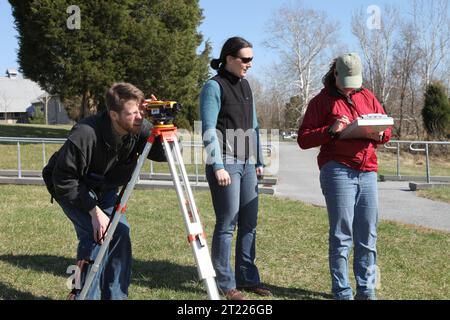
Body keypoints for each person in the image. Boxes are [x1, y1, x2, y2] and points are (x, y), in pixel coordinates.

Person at [42, 82, 165, 299]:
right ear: (114, 115)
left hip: (104, 189)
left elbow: (166, 154)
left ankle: (116, 296)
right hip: (72, 186)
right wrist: (93, 211)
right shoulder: (85, 133)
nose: (139, 117)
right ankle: (82, 293)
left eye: (140, 111)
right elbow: (63, 178)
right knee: (95, 235)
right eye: (132, 113)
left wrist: (160, 123)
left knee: (121, 233)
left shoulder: (138, 126)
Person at [297, 53, 392, 300]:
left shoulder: (368, 96)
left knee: (368, 234)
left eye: (356, 80)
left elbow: (387, 128)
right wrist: (330, 130)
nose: (352, 85)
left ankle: (367, 290)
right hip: (337, 169)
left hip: (368, 169)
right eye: (347, 79)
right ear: (335, 74)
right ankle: (342, 291)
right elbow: (304, 139)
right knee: (342, 235)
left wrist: (381, 135)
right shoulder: (321, 101)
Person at [200, 36, 271, 300]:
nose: (249, 64)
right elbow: (208, 129)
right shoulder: (213, 87)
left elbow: (254, 127)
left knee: (249, 223)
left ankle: (247, 277)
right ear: (229, 58)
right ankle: (225, 283)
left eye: (252, 59)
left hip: (247, 163)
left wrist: (260, 161)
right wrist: (217, 165)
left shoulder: (246, 86)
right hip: (226, 163)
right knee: (227, 223)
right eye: (245, 59)